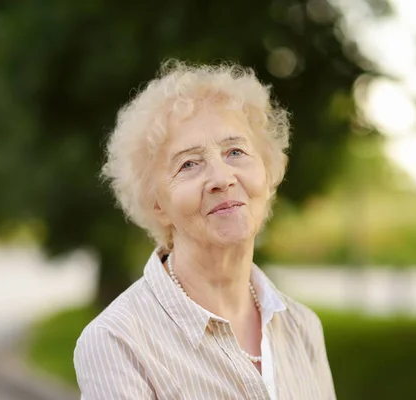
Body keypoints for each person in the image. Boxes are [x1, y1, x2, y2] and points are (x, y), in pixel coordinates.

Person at [73, 60, 336, 400]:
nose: (222, 178)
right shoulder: (117, 342)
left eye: (235, 152)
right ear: (156, 203)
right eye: (189, 164)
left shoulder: (303, 327)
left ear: (267, 172)